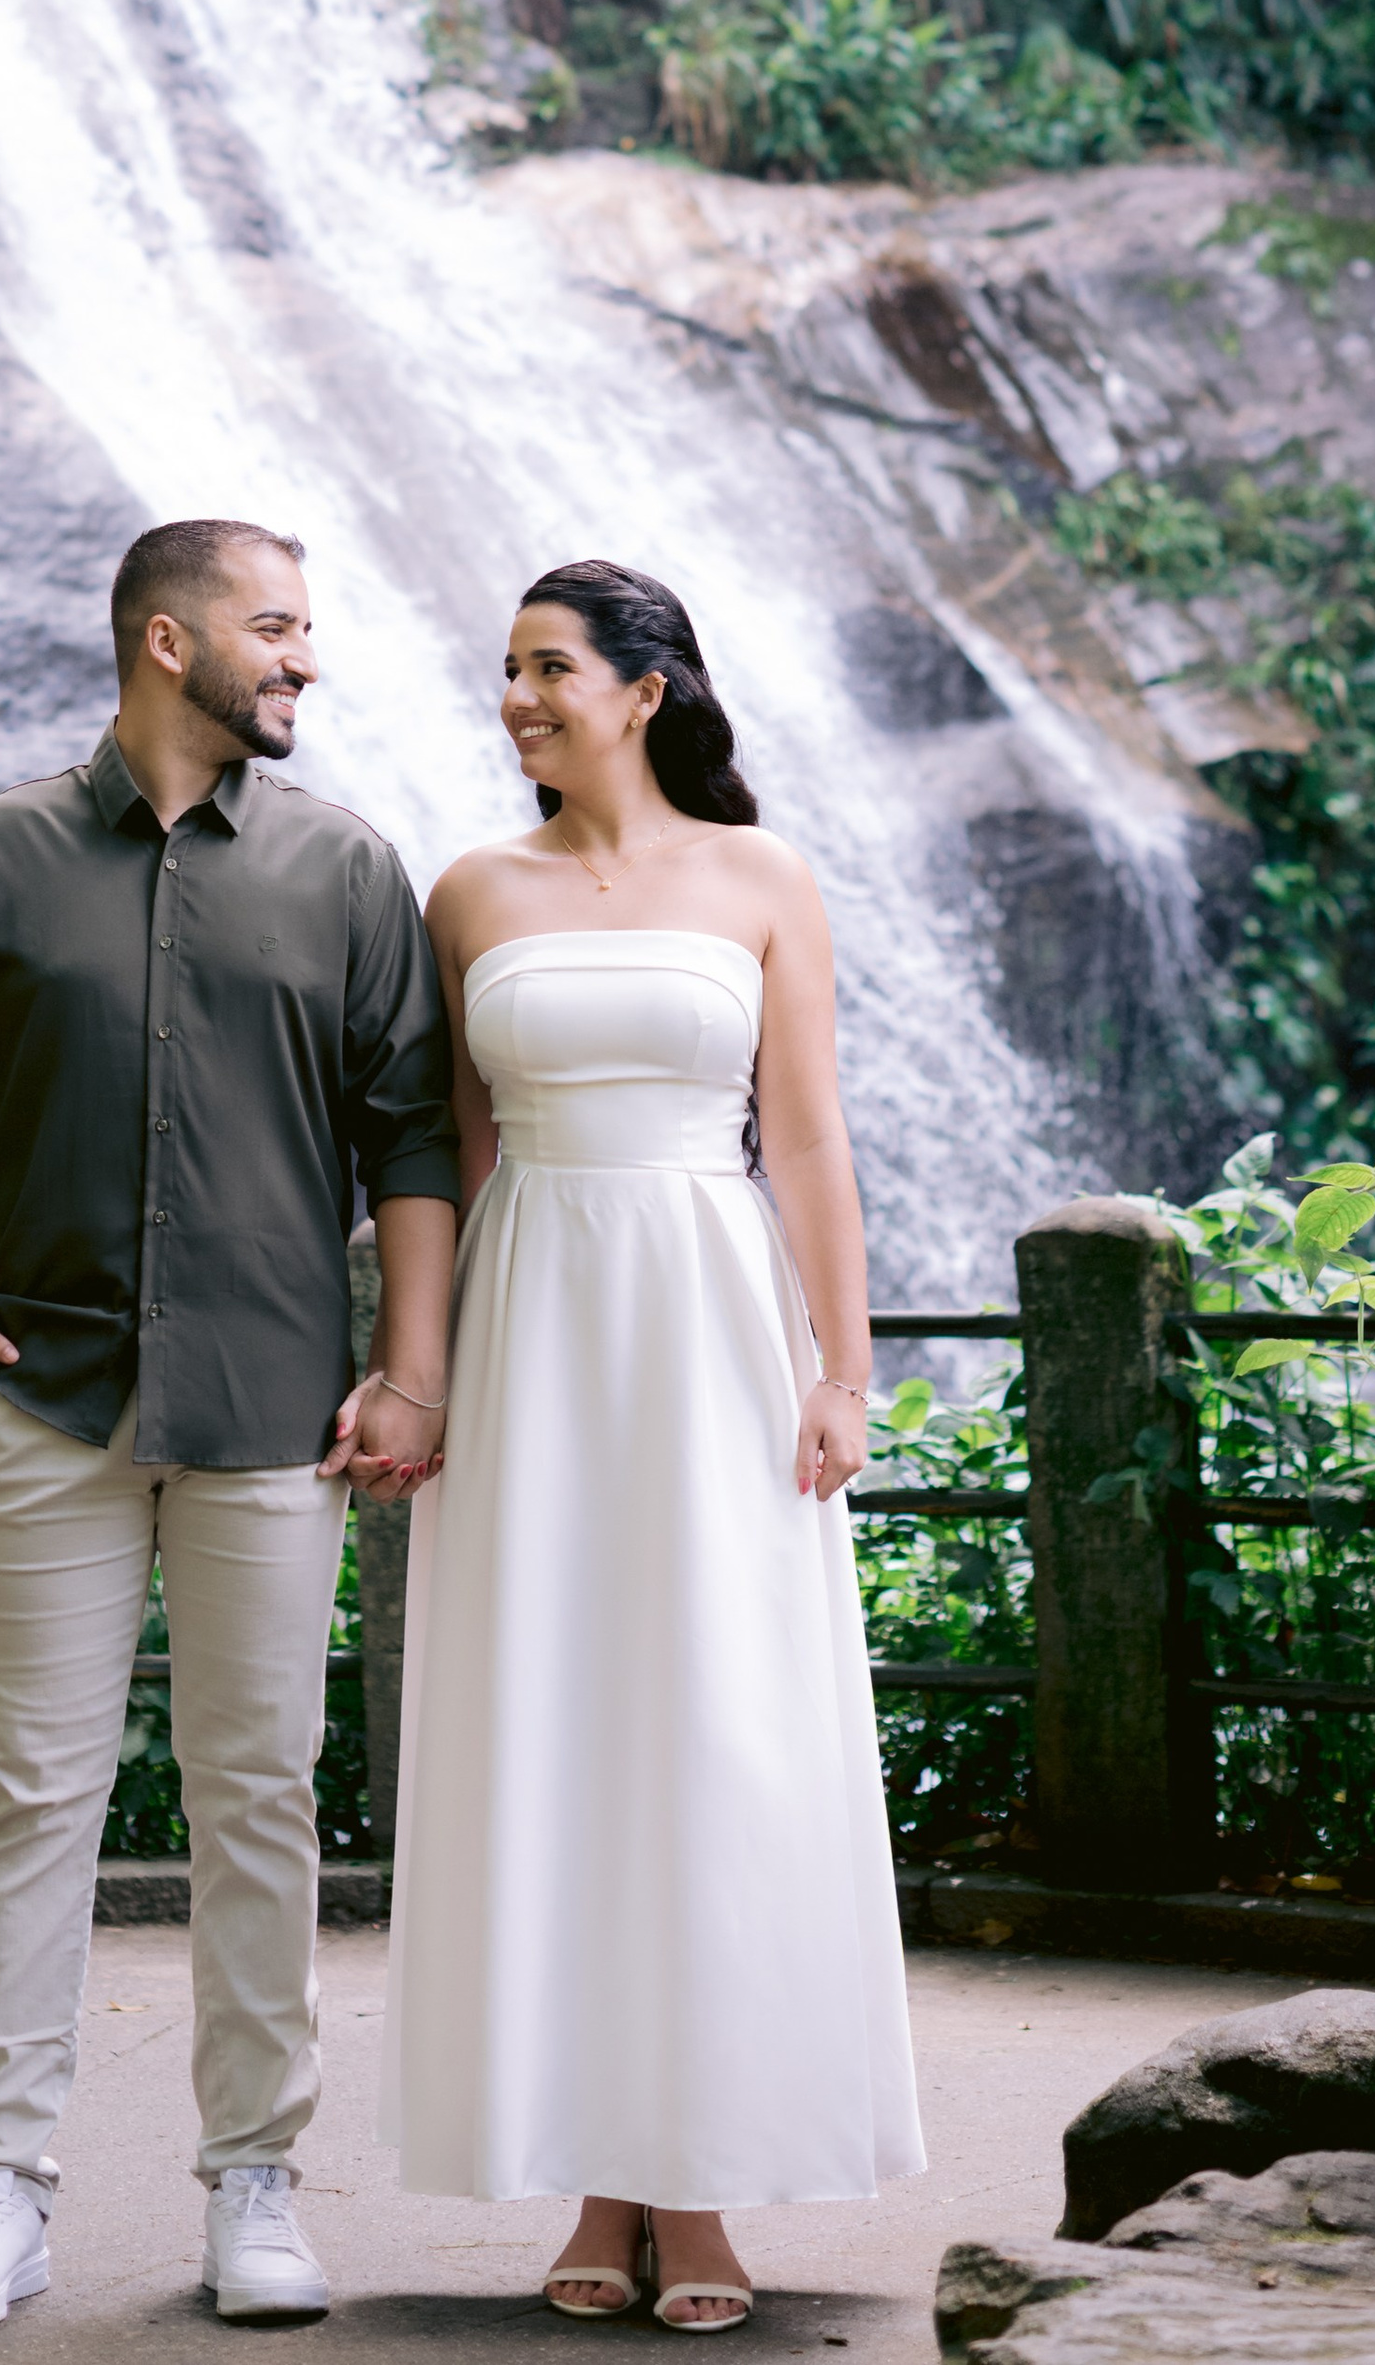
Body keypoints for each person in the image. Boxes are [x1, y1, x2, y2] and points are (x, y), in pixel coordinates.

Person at [0, 518, 458, 2330]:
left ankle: (253, 2183)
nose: (306, 661)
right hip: (42, 1401)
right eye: (277, 629)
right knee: (33, 1796)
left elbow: (414, 1135)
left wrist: (408, 1363)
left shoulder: (350, 872)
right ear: (167, 640)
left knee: (258, 1801)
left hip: (277, 1407)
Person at [382, 557, 924, 2327]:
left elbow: (816, 1144)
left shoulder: (760, 876)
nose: (520, 697)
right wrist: (428, 1375)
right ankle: (596, 2178)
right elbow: (450, 1167)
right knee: (564, 1733)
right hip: (539, 1322)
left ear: (647, 688)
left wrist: (842, 1374)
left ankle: (696, 2191)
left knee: (712, 1728)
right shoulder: (468, 892)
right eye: (509, 673)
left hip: (710, 1321)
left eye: (550, 668)